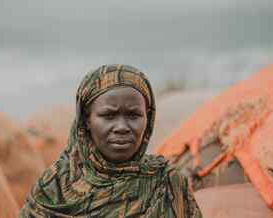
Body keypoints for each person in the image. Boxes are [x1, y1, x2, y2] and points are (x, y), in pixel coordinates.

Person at [19, 64, 202, 217]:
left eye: (133, 115)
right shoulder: (55, 187)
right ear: (86, 120)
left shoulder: (169, 183)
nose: (122, 126)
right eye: (108, 115)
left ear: (148, 118)